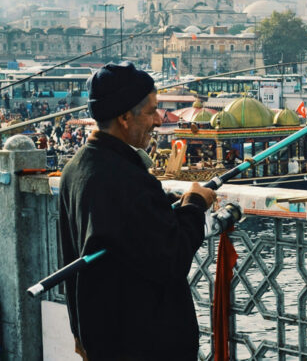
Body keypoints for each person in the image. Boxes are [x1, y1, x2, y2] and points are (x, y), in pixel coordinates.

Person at [58, 61, 215, 360]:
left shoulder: (75, 169)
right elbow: (171, 259)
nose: (157, 120)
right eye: (151, 111)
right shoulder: (127, 181)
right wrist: (195, 205)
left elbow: (73, 258)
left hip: (103, 338)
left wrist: (79, 331)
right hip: (141, 341)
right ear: (125, 117)